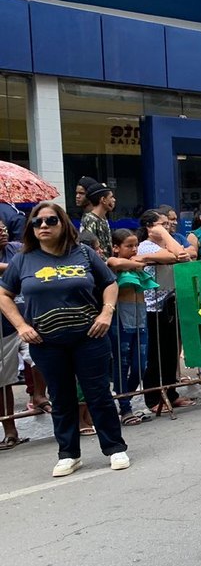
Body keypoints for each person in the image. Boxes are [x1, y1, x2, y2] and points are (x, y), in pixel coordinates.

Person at [0, 202, 130, 476]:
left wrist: (106, 313)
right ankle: (68, 454)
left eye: (50, 220)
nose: (43, 226)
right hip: (46, 342)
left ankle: (115, 448)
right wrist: (21, 325)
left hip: (89, 337)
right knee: (61, 397)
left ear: (63, 224)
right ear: (31, 228)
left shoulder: (83, 252)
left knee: (98, 394)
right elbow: (4, 294)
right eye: (37, 222)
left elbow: (109, 282)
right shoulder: (23, 259)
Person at [136, 211, 192, 414]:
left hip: (170, 304)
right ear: (150, 227)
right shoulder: (146, 245)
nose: (168, 227)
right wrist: (162, 235)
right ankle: (153, 397)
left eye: (169, 224)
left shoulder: (163, 245)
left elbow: (187, 254)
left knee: (170, 353)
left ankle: (170, 393)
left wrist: (167, 239)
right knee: (156, 355)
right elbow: (179, 254)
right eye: (162, 224)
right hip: (154, 308)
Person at [105, 228, 157, 426]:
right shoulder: (114, 264)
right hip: (121, 319)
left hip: (140, 317)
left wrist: (139, 261)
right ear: (116, 247)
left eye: (136, 245)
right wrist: (138, 262)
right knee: (122, 364)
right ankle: (125, 408)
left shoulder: (137, 264)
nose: (134, 249)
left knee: (141, 365)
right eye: (129, 246)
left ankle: (123, 398)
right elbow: (115, 262)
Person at [0, 221, 27, 449]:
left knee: (6, 380)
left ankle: (10, 429)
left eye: (3, 227)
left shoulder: (16, 248)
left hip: (16, 323)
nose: (2, 232)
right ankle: (9, 428)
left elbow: (28, 264)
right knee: (3, 381)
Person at [80, 182, 115, 257]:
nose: (114, 200)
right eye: (111, 197)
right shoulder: (90, 219)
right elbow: (90, 247)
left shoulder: (103, 218)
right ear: (103, 200)